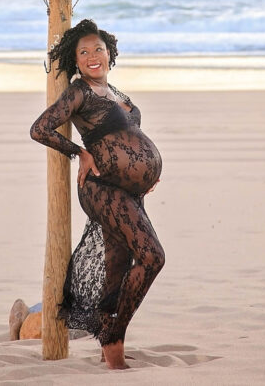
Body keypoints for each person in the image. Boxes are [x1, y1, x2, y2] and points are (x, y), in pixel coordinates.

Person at [30, 19, 164, 369]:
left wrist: (144, 175)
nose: (93, 56)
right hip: (101, 189)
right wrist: (79, 152)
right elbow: (39, 129)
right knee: (152, 258)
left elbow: (127, 139)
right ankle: (114, 337)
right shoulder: (79, 91)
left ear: (110, 53)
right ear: (76, 60)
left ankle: (109, 345)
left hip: (126, 191)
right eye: (84, 52)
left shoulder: (117, 93)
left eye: (99, 50)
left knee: (118, 265)